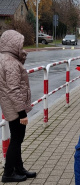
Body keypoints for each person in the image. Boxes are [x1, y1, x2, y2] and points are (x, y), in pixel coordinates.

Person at [0, 30, 36, 182]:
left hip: (11, 105)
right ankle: (8, 173)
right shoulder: (10, 63)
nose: (22, 48)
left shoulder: (6, 59)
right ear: (13, 44)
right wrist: (22, 113)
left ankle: (18, 168)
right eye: (20, 45)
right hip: (15, 108)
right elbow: (13, 89)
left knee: (17, 139)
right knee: (16, 139)